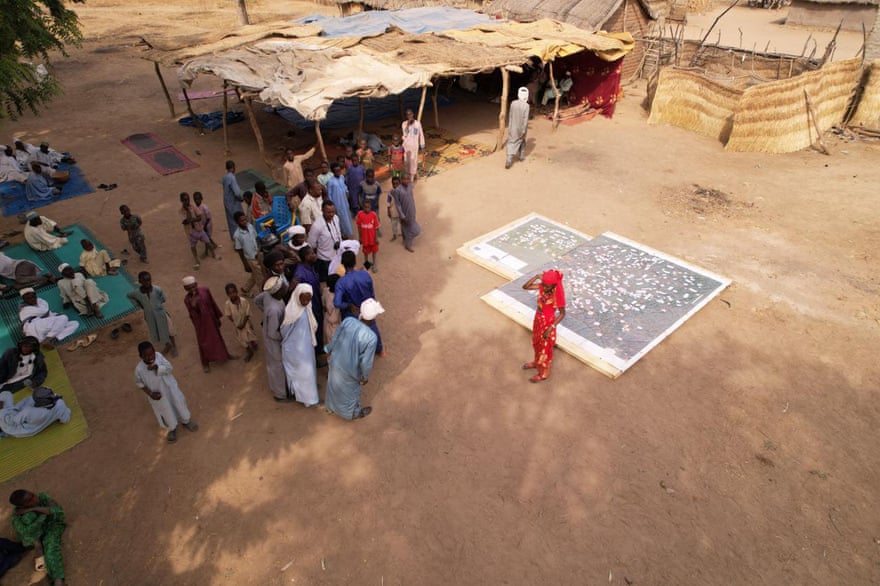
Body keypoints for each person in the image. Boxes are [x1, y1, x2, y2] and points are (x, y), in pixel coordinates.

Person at [324, 298, 383, 420]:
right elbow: (366, 362)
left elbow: (336, 337)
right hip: (351, 370)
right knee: (351, 393)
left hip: (336, 362)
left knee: (333, 386)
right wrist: (364, 377)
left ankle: (331, 408)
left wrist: (328, 349)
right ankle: (354, 413)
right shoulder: (371, 337)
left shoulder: (348, 321)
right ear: (372, 318)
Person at [134, 341, 199, 443]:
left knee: (179, 403)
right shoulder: (139, 369)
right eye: (146, 356)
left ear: (154, 351)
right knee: (165, 411)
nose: (150, 357)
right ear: (140, 356)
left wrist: (157, 367)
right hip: (157, 395)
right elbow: (140, 384)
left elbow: (169, 368)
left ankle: (186, 421)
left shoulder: (159, 357)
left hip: (170, 388)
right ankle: (172, 428)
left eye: (151, 354)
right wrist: (151, 394)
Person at [8, 489, 66, 585]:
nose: (35, 499)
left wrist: (33, 509)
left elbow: (57, 510)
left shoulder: (42, 497)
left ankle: (57, 580)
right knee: (28, 518)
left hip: (51, 526)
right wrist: (41, 517)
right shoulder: (16, 517)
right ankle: (38, 546)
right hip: (34, 537)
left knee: (51, 548)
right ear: (22, 506)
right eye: (29, 501)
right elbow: (25, 532)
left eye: (32, 495)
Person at [521, 269, 567, 383]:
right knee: (536, 343)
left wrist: (551, 328)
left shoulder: (557, 294)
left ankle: (544, 373)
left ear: (553, 286)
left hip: (548, 324)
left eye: (547, 286)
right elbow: (525, 287)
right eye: (544, 285)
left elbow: (562, 314)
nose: (545, 288)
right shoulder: (542, 287)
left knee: (545, 349)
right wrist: (536, 276)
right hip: (538, 320)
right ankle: (537, 363)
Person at [334, 250, 383, 354]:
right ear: (355, 262)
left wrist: (348, 305)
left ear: (342, 264)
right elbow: (371, 292)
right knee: (372, 327)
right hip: (367, 307)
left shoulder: (340, 282)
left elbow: (337, 303)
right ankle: (379, 350)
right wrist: (371, 304)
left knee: (352, 334)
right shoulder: (365, 275)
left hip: (352, 312)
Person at [182, 276, 233, 373]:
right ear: (185, 289)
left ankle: (226, 355)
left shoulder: (204, 290)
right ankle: (205, 362)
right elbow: (192, 314)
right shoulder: (187, 300)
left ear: (196, 284)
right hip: (200, 324)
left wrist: (217, 317)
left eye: (193, 287)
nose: (192, 289)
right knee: (203, 343)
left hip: (211, 319)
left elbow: (213, 303)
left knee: (218, 337)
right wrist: (194, 305)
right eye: (189, 288)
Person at [281, 283, 320, 407]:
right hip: (296, 349)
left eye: (308, 299)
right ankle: (308, 399)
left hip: (307, 347)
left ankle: (309, 395)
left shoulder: (308, 306)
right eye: (303, 299)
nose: (306, 301)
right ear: (297, 296)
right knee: (303, 372)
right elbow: (284, 330)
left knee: (308, 371)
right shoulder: (291, 311)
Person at [253, 276, 288, 401]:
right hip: (273, 339)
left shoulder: (268, 295)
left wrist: (264, 314)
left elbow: (257, 300)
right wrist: (284, 338)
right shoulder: (274, 309)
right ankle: (280, 394)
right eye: (283, 287)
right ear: (278, 291)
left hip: (269, 331)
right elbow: (273, 333)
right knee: (277, 365)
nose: (286, 287)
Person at [127, 271, 177, 356]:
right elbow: (129, 295)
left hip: (161, 314)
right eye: (145, 281)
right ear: (140, 281)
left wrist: (157, 305)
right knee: (159, 330)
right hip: (150, 316)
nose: (147, 282)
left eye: (149, 280)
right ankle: (167, 345)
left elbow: (163, 298)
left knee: (169, 329)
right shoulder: (137, 293)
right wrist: (139, 304)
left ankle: (174, 346)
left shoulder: (157, 289)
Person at [0, 386, 71, 438]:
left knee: (5, 394)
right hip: (26, 422)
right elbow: (65, 419)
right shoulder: (60, 403)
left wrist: (3, 412)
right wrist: (64, 411)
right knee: (7, 396)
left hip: (18, 428)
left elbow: (12, 421)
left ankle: (3, 433)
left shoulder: (28, 411)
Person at [293, 245, 324, 351]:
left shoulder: (310, 267)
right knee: (313, 329)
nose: (315, 255)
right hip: (310, 307)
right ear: (306, 257)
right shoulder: (300, 274)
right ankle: (315, 354)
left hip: (317, 302)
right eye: (312, 254)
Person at [307, 200, 343, 282]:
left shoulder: (336, 218)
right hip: (325, 261)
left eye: (333, 212)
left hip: (337, 257)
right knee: (328, 283)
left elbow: (339, 234)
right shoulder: (317, 226)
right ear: (322, 210)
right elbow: (311, 244)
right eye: (328, 212)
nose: (331, 214)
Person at [180, 192, 215, 269]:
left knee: (208, 242)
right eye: (185, 200)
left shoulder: (193, 206)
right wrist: (189, 213)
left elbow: (199, 217)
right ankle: (196, 259)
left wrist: (192, 219)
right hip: (191, 232)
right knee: (193, 247)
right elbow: (185, 221)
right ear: (182, 201)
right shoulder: (181, 211)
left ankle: (213, 254)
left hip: (199, 229)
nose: (187, 202)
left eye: (188, 200)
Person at [223, 283, 258, 362]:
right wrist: (235, 323)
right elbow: (228, 314)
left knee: (250, 333)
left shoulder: (243, 301)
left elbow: (247, 312)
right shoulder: (227, 304)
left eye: (233, 292)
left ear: (237, 291)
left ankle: (253, 343)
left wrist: (244, 322)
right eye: (230, 293)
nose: (232, 294)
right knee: (242, 338)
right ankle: (249, 351)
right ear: (227, 294)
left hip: (246, 323)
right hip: (238, 324)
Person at [232, 211, 262, 297]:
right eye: (242, 221)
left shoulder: (250, 226)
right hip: (250, 258)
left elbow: (256, 238)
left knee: (256, 274)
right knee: (260, 277)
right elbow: (240, 251)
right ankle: (263, 294)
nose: (244, 222)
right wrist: (245, 264)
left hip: (257, 254)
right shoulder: (237, 235)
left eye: (245, 219)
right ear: (237, 222)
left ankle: (245, 289)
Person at [391, 174, 420, 252]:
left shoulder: (410, 186)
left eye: (408, 179)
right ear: (401, 179)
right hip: (404, 213)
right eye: (404, 179)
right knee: (416, 230)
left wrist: (415, 178)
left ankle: (405, 239)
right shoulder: (398, 190)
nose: (406, 181)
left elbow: (414, 183)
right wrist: (402, 215)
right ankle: (408, 244)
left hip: (412, 211)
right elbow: (398, 204)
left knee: (405, 227)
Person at [326, 162, 353, 238]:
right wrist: (332, 206)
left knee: (347, 216)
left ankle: (348, 232)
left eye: (339, 170)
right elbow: (329, 194)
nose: (338, 172)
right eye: (336, 171)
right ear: (333, 171)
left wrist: (347, 192)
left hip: (344, 201)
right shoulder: (330, 181)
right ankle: (342, 234)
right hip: (337, 203)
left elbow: (344, 186)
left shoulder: (342, 177)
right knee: (340, 218)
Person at [506, 87, 530, 169]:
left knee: (511, 142)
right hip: (521, 128)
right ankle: (521, 156)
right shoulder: (526, 106)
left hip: (513, 127)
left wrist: (510, 126)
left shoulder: (513, 103)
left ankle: (509, 159)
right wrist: (523, 131)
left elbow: (510, 116)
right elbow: (525, 120)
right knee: (522, 141)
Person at [356, 199, 380, 272]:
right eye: (365, 207)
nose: (367, 209)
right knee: (365, 252)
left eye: (368, 207)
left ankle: (374, 263)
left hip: (372, 238)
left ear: (371, 207)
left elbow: (376, 228)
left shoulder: (373, 215)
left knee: (374, 251)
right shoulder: (360, 214)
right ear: (363, 207)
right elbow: (359, 227)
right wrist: (360, 237)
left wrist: (376, 238)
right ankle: (366, 263)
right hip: (365, 239)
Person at [222, 160, 243, 241]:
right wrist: (241, 198)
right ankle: (240, 240)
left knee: (231, 222)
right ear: (233, 168)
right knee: (238, 220)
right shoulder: (232, 177)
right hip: (234, 203)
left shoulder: (225, 177)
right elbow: (237, 192)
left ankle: (234, 239)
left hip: (227, 202)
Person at [401, 108, 424, 181]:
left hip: (414, 146)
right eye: (407, 115)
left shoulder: (417, 123)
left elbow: (421, 135)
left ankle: (412, 177)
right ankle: (407, 175)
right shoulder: (404, 124)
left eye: (410, 114)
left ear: (413, 114)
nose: (409, 116)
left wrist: (422, 145)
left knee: (414, 160)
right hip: (406, 146)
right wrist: (408, 124)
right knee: (407, 161)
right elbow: (405, 134)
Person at [323, 274, 342, 345]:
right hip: (333, 325)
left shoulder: (325, 291)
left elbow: (324, 305)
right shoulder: (336, 297)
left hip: (327, 321)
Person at [386, 175, 401, 241]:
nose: (395, 185)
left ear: (399, 183)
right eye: (393, 184)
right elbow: (388, 201)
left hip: (401, 212)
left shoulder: (402, 191)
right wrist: (388, 210)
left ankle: (403, 233)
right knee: (393, 225)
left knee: (402, 224)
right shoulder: (390, 192)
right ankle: (395, 235)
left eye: (397, 184)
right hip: (393, 212)